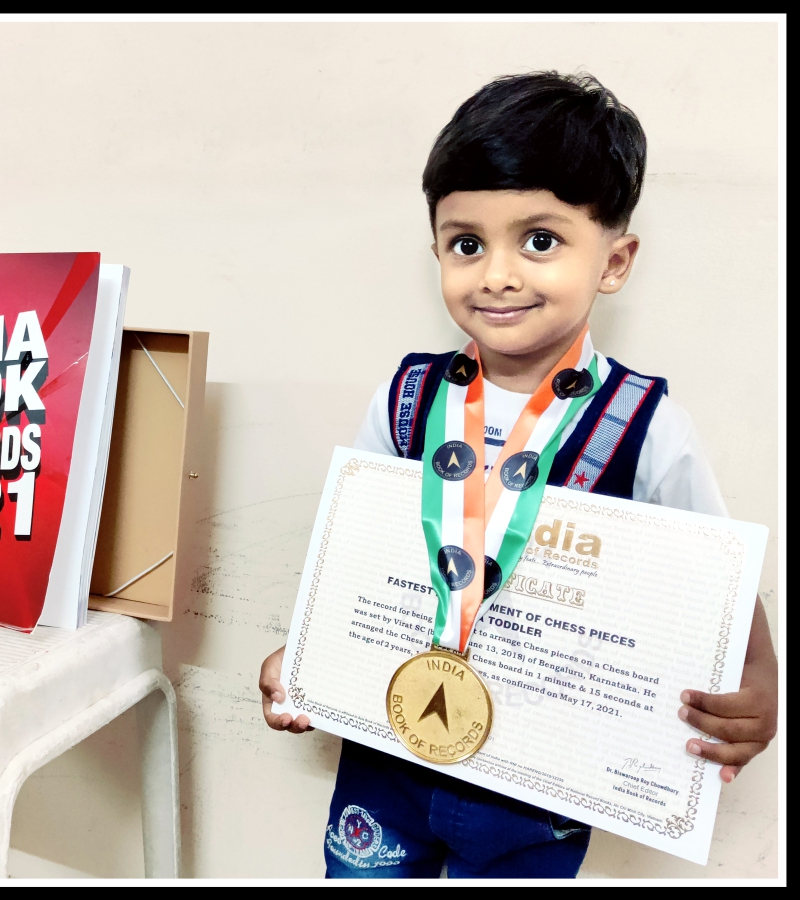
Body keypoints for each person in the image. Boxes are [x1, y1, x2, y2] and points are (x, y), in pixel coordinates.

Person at [258, 71, 778, 879]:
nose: (497, 274)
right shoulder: (406, 398)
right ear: (436, 248)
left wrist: (761, 683)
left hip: (538, 783)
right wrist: (306, 655)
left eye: (539, 240)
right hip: (390, 753)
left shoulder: (649, 429)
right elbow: (355, 557)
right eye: (467, 243)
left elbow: (720, 585)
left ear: (615, 260)